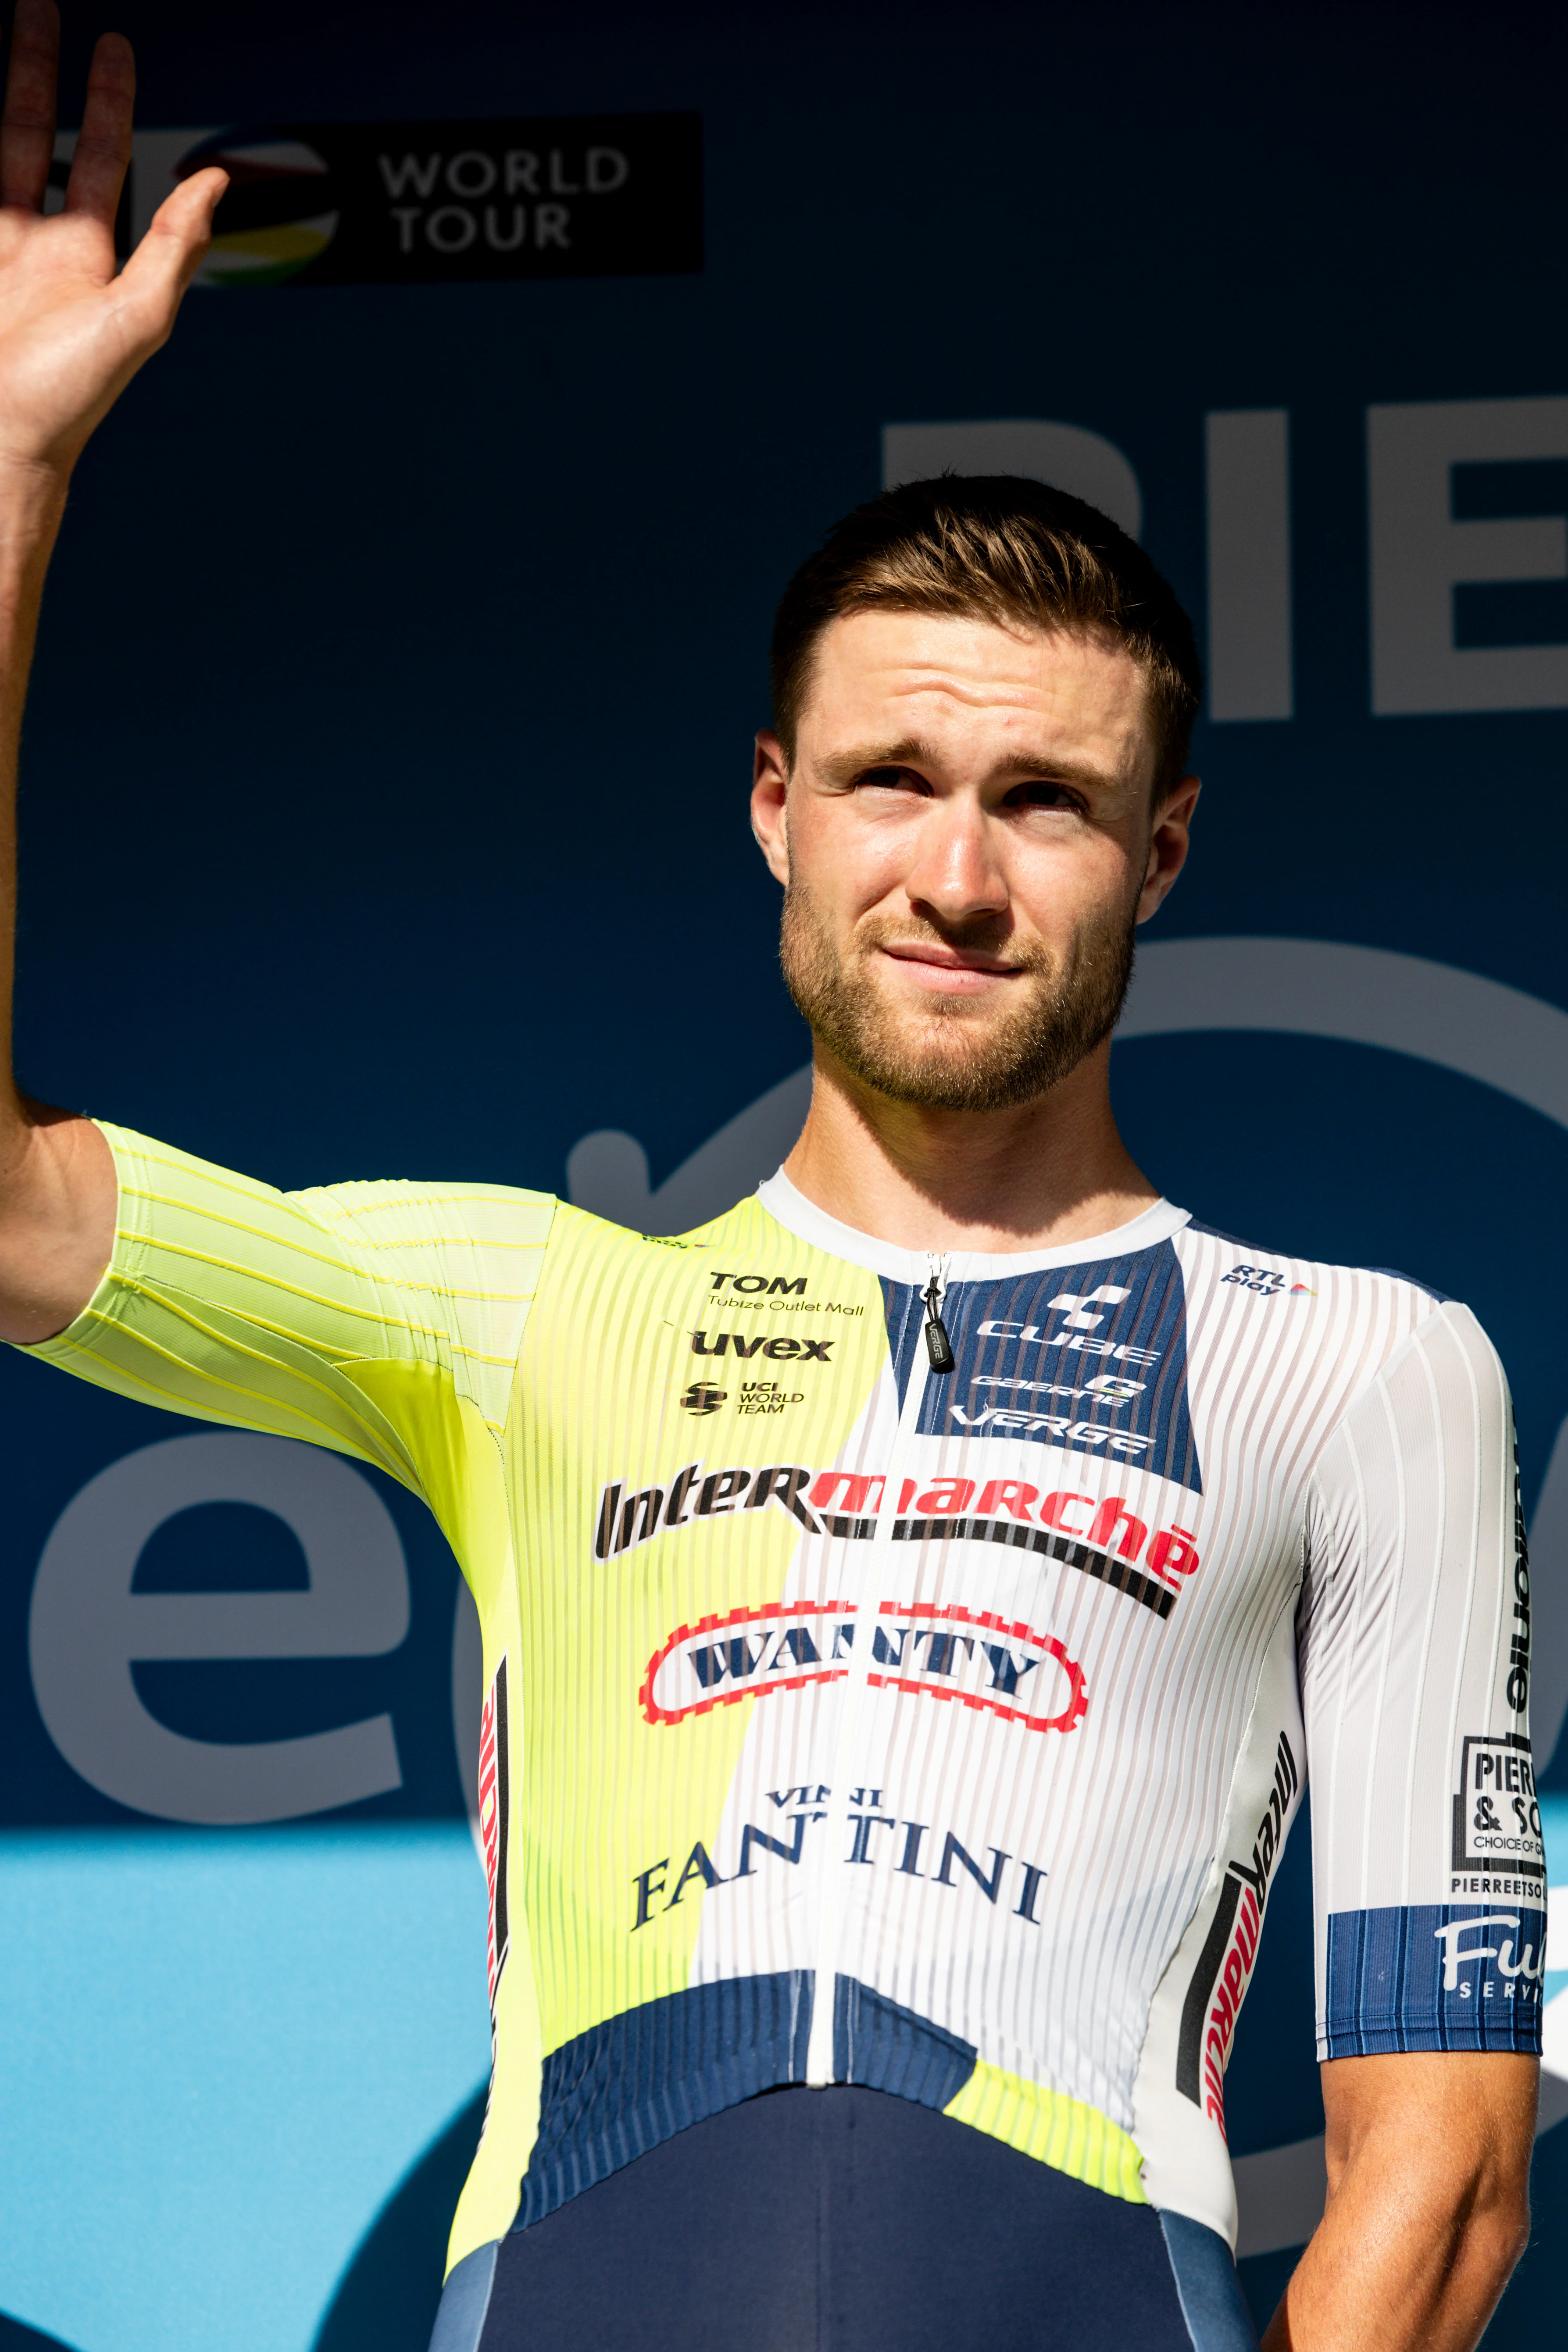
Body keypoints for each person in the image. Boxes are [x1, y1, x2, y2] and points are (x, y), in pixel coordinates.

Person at [0, 9, 1545, 2351]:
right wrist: (9, 483)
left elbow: (1440, 2181)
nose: (957, 870)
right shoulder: (520, 1314)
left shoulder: (1363, 1368)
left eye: (1042, 800)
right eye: (889, 779)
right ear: (773, 813)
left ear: (1163, 849)